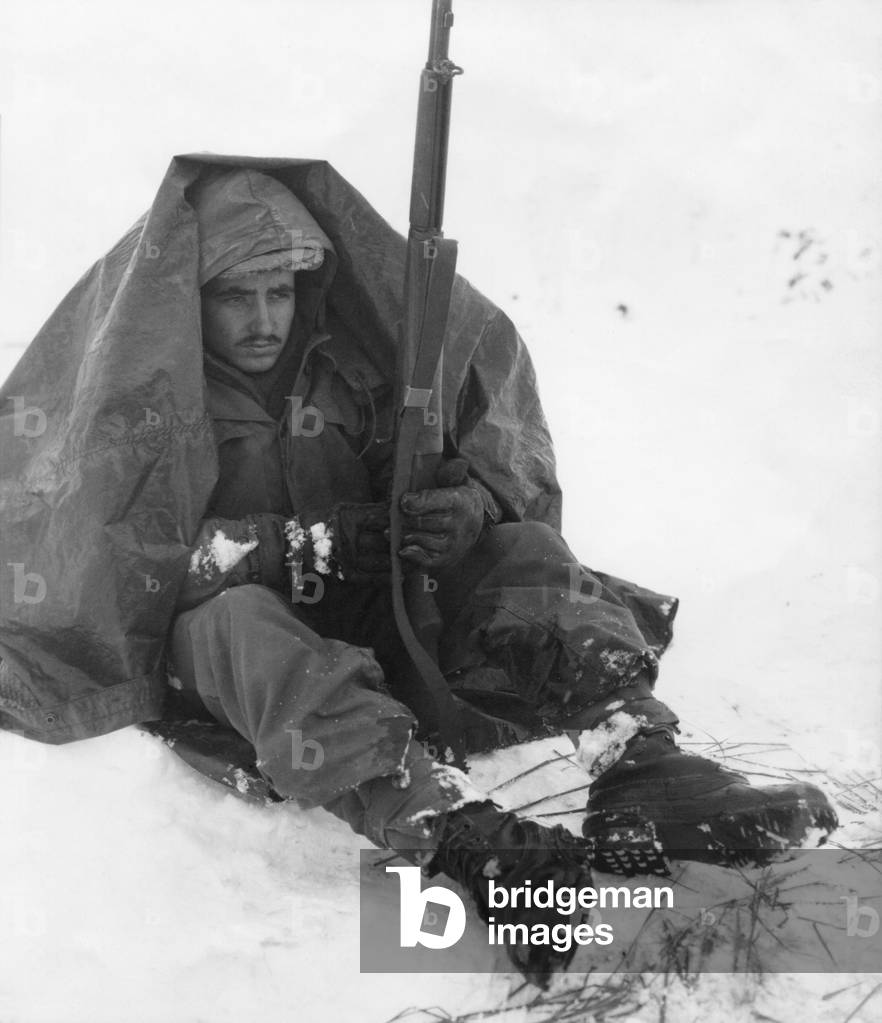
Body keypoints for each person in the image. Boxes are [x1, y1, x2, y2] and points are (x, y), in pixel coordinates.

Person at [0, 159, 837, 986]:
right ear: (193, 295)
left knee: (522, 556)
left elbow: (473, 457)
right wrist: (298, 544)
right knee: (231, 625)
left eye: (280, 291)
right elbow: (117, 568)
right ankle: (463, 839)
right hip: (243, 663)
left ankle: (643, 760)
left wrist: (462, 505)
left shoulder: (352, 367)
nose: (264, 319)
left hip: (378, 623)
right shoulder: (148, 400)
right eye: (235, 295)